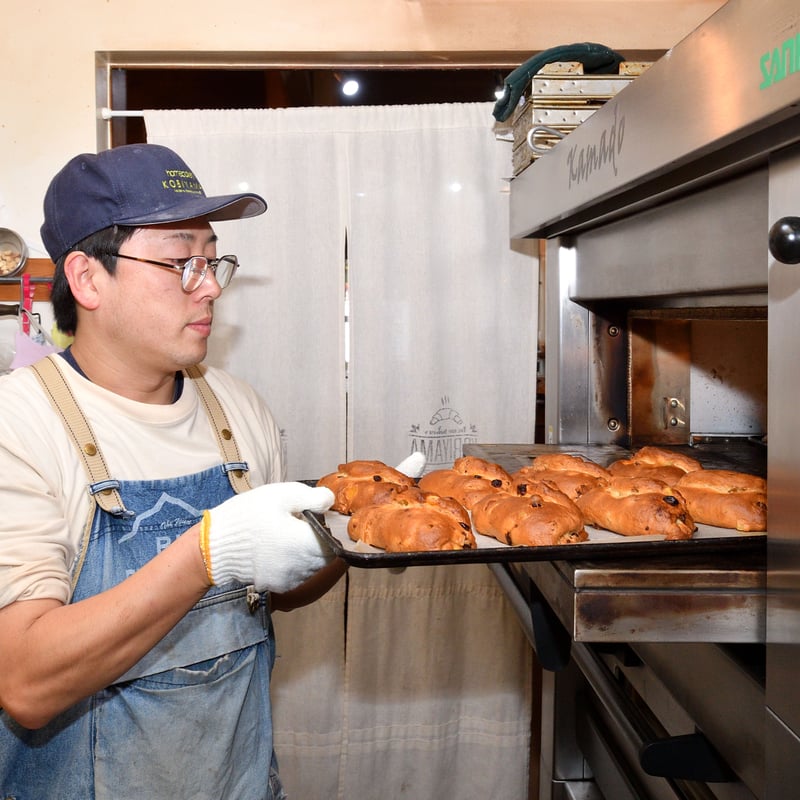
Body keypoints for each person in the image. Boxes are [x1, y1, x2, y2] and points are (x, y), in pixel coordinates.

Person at [0, 144, 425, 799]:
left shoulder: (237, 406)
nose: (212, 286)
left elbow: (270, 593)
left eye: (213, 258)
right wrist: (207, 552)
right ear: (86, 279)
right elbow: (27, 681)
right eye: (181, 262)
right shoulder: (19, 423)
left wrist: (352, 535)